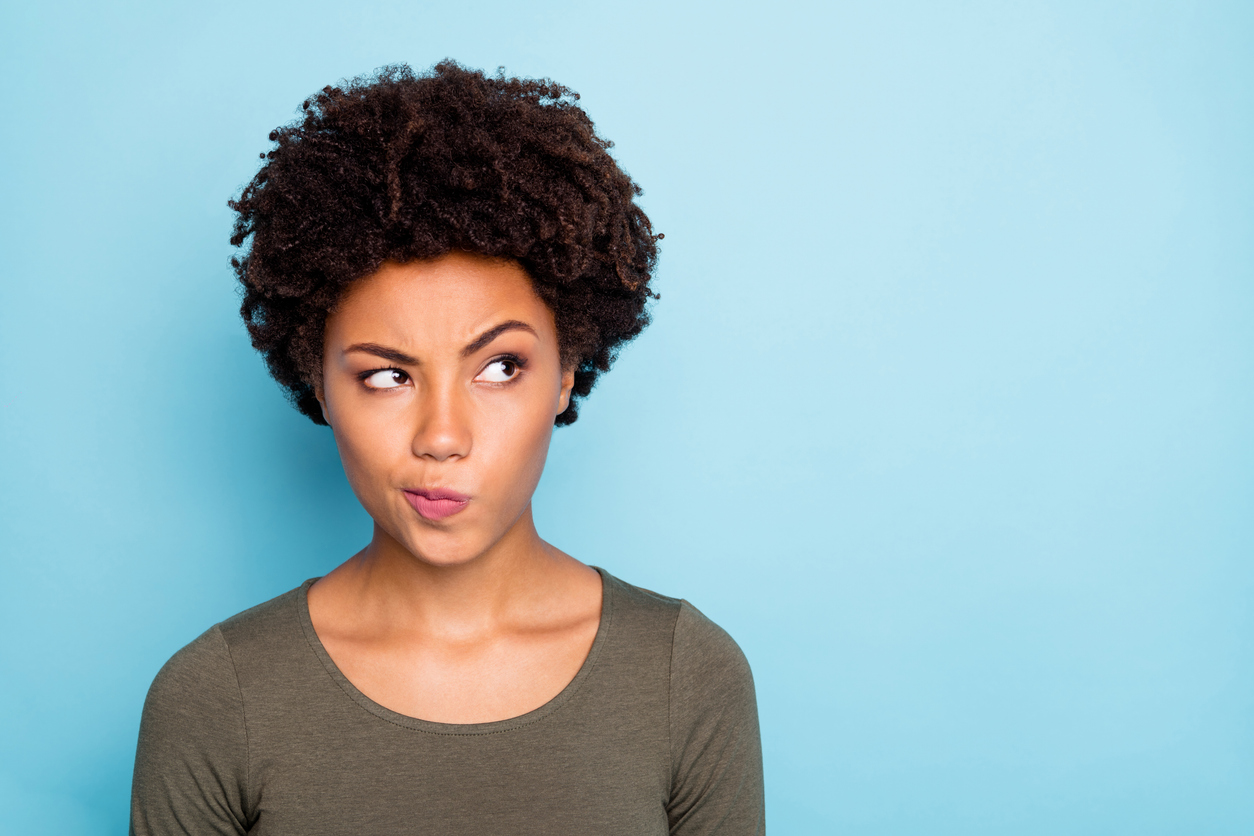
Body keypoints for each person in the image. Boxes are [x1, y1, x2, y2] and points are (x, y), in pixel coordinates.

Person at [129, 60, 764, 835]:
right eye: (388, 375)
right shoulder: (216, 697)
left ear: (566, 372)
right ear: (318, 383)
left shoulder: (683, 677)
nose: (441, 437)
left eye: (500, 367)